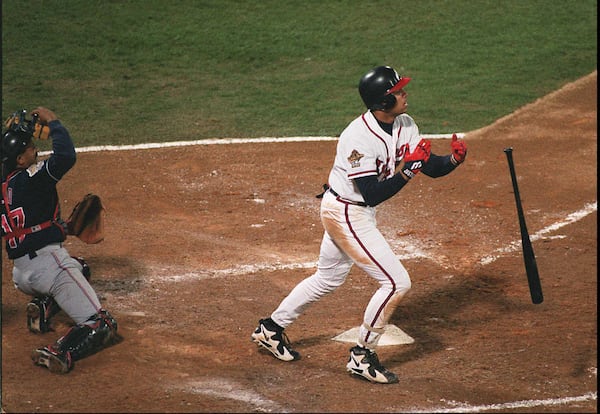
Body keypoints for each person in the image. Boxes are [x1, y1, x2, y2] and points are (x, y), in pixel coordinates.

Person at [251, 66, 467, 384]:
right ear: (382, 102)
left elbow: (427, 163)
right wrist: (410, 171)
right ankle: (362, 356)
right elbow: (371, 194)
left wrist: (451, 160)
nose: (405, 94)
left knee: (328, 277)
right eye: (398, 92)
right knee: (396, 282)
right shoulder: (357, 138)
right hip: (346, 212)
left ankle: (271, 329)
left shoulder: (404, 123)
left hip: (355, 211)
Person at [1, 107, 120, 374]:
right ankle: (59, 351)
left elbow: (24, 229)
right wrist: (54, 122)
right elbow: (65, 156)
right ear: (20, 159)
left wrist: (64, 229)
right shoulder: (31, 178)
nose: (35, 151)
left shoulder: (4, 186)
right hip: (49, 267)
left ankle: (43, 306)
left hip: (21, 275)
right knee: (101, 324)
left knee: (82, 267)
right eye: (30, 148)